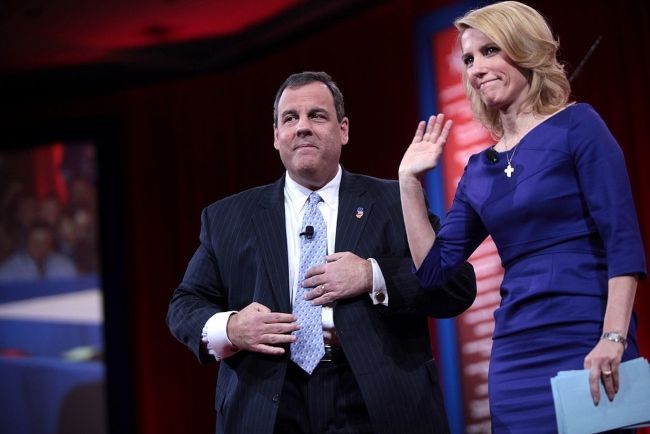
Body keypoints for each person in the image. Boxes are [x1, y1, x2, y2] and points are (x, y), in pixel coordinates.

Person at [167, 71, 476, 434]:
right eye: (290, 118)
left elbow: (456, 287)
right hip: (269, 405)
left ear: (343, 130)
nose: (302, 127)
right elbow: (184, 304)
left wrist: (371, 275)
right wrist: (232, 328)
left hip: (376, 402)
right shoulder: (227, 217)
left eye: (317, 115)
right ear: (276, 136)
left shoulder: (393, 201)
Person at [398, 2, 647, 432]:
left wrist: (612, 337)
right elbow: (433, 270)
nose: (477, 68)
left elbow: (622, 240)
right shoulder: (480, 170)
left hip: (586, 337)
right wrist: (408, 182)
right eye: (469, 59)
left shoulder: (579, 126)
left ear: (525, 49)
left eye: (491, 50)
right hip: (515, 358)